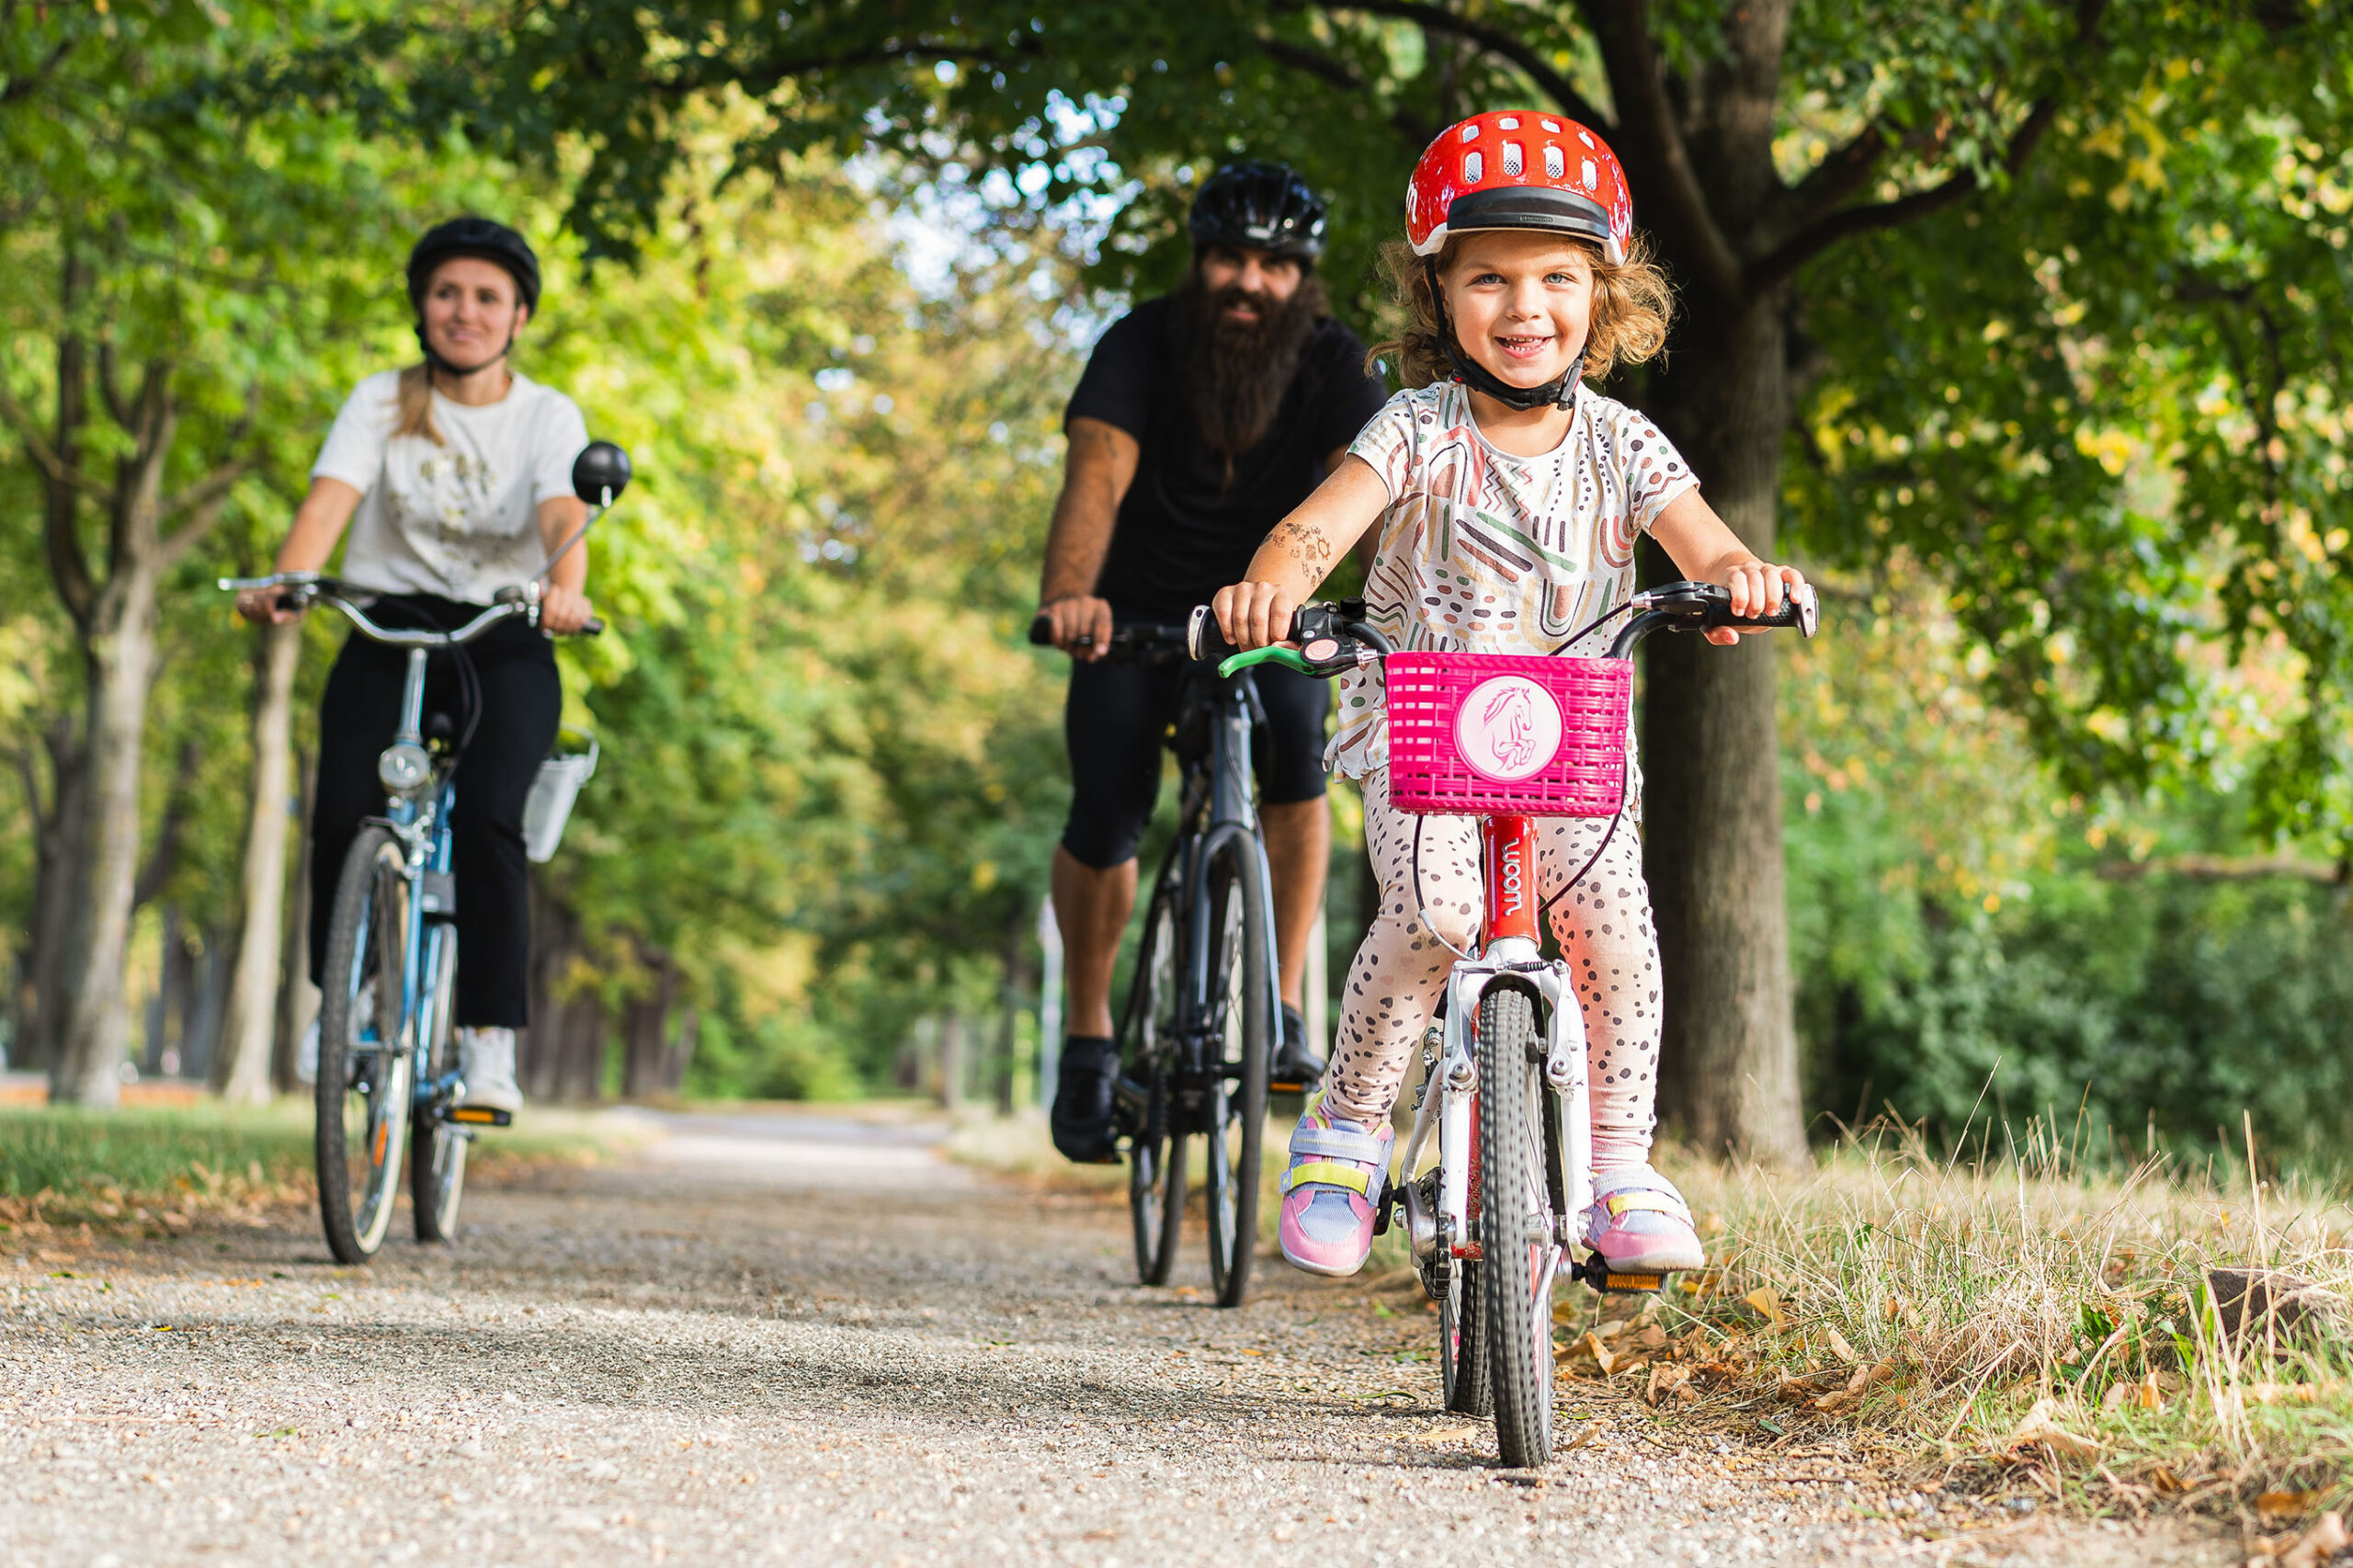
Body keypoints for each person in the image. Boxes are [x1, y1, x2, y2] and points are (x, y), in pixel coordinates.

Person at [1209, 111, 1809, 1278]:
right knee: (1432, 910)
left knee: (1617, 940)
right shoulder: (1415, 431)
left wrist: (1741, 585)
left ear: (1604, 292)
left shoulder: (1626, 447)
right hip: (1422, 729)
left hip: (1570, 742)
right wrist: (1267, 589)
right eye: (1487, 277)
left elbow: (1709, 549)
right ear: (1439, 295)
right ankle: (1344, 1130)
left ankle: (1621, 1164)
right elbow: (1311, 529)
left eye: (1555, 279)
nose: (1523, 306)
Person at [1037, 162, 1390, 1163]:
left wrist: (1393, 613)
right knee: (1104, 806)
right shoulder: (1139, 342)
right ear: (1200, 263)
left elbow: (1355, 499)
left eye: (1275, 264)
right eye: (1232, 258)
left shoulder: (1334, 362)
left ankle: (1278, 1006)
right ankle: (1091, 1037)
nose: (1250, 281)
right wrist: (1072, 595)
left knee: (1294, 756)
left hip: (1272, 612)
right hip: (1135, 610)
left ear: (1302, 277)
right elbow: (1095, 474)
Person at [237, 216, 594, 1119]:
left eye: (485, 297)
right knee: (340, 808)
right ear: (421, 308)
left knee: (488, 821)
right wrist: (288, 577)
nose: (462, 312)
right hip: (389, 623)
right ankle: (344, 1001)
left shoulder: (545, 416)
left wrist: (563, 589)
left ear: (518, 317)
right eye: (445, 293)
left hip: (505, 630)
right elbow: (329, 503)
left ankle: (487, 1046)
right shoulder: (382, 401)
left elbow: (561, 516)